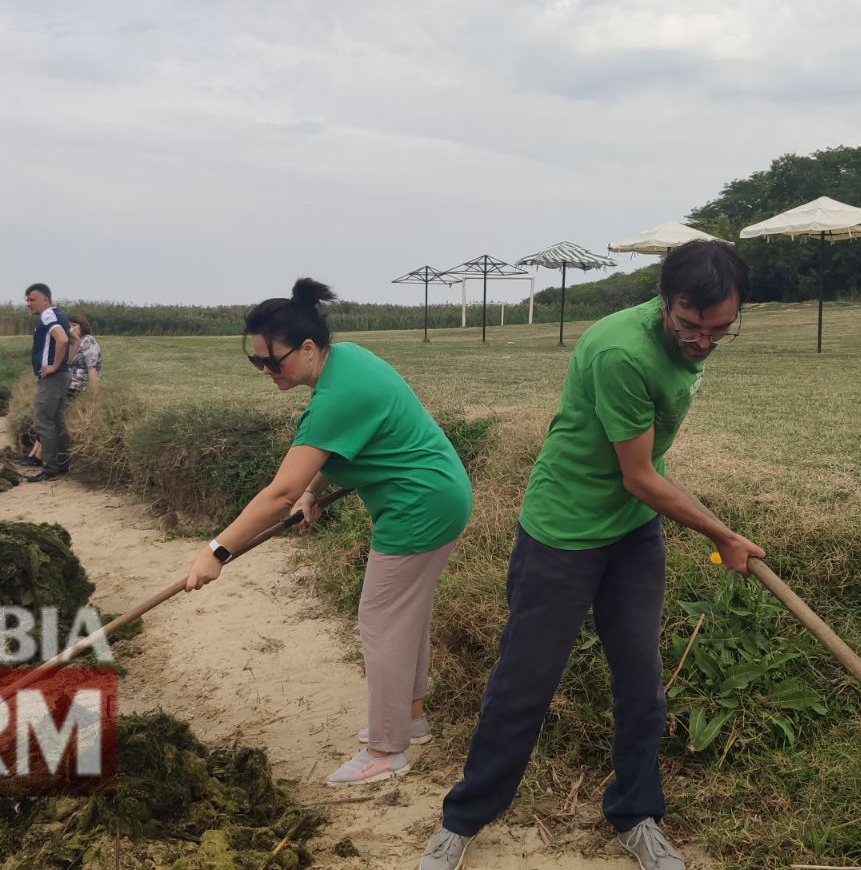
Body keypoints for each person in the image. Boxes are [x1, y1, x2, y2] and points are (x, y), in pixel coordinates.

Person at [421, 241, 765, 870]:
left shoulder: (692, 333)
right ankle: (462, 820)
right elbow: (639, 474)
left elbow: (643, 477)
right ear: (666, 303)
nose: (704, 342)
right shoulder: (620, 352)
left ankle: (635, 813)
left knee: (642, 682)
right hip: (564, 530)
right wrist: (722, 534)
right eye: (691, 327)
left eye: (721, 330)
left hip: (633, 532)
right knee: (524, 683)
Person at [184, 279, 473, 788]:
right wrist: (312, 493)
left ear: (310, 348)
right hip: (437, 493)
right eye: (258, 363)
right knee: (408, 612)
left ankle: (386, 749)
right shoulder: (348, 360)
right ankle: (410, 716)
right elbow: (335, 451)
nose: (267, 373)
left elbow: (278, 492)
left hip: (418, 507)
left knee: (381, 619)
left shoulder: (336, 395)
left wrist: (217, 550)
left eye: (274, 362)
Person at [19, 315, 101, 469]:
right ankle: (35, 453)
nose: (72, 329)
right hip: (64, 386)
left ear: (83, 326)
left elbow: (92, 369)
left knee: (49, 417)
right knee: (45, 415)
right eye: (70, 326)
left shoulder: (88, 340)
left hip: (77, 388)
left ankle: (39, 456)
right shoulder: (71, 343)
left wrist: (93, 397)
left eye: (75, 325)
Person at [24, 284, 70, 482]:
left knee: (44, 422)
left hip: (51, 379)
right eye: (27, 300)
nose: (28, 304)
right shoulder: (59, 314)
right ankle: (62, 463)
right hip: (61, 377)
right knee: (58, 422)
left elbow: (63, 339)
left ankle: (50, 468)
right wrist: (65, 364)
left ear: (45, 299)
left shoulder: (47, 315)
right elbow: (74, 338)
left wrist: (54, 365)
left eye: (32, 299)